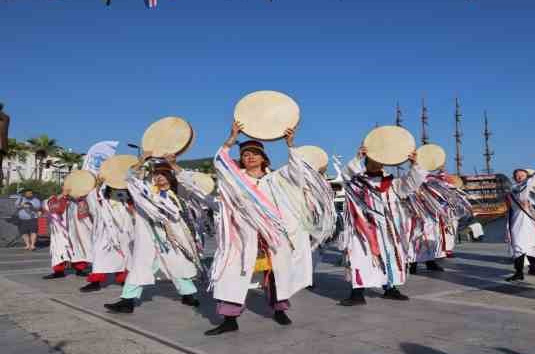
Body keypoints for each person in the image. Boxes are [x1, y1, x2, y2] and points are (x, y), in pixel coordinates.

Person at [204, 122, 335, 336]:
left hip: (272, 236)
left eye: (255, 153)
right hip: (243, 235)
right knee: (233, 273)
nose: (250, 157)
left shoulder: (276, 179)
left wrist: (290, 144)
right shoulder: (236, 179)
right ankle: (229, 319)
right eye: (245, 154)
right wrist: (231, 139)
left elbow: (298, 171)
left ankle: (279, 311)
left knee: (277, 274)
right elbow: (220, 163)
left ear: (264, 158)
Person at [104, 153, 201, 314]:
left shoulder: (178, 193)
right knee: (139, 267)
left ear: (170, 177)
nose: (160, 177)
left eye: (164, 174)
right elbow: (130, 178)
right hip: (148, 237)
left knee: (177, 265)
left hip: (172, 238)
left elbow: (191, 183)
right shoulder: (147, 193)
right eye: (157, 174)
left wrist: (174, 165)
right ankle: (127, 301)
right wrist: (141, 161)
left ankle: (188, 295)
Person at [337, 145, 426, 306]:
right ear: (367, 160)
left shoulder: (392, 183)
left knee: (390, 258)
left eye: (381, 160)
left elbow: (411, 184)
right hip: (363, 231)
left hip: (387, 231)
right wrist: (357, 158)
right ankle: (357, 293)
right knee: (361, 259)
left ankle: (390, 289)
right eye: (374, 159)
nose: (378, 163)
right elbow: (345, 175)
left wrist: (414, 165)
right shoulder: (357, 181)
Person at [408, 170, 472, 275]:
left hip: (432, 216)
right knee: (417, 238)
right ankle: (412, 263)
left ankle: (430, 261)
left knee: (432, 238)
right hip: (419, 214)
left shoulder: (435, 183)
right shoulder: (421, 182)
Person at [79, 182, 134, 292]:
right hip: (103, 230)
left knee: (124, 255)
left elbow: (130, 205)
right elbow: (92, 207)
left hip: (121, 228)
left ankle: (124, 279)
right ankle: (95, 281)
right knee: (99, 253)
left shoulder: (124, 190)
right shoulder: (95, 192)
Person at [504, 168, 535, 282]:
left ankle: (533, 268)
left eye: (522, 175)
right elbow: (527, 185)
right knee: (519, 246)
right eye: (517, 176)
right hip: (518, 222)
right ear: (514, 178)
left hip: (531, 222)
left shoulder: (529, 190)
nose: (519, 177)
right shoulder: (515, 189)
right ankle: (519, 272)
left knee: (533, 245)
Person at [42, 188, 93, 279]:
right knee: (58, 250)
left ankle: (80, 269)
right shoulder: (55, 199)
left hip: (76, 231)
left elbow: (87, 214)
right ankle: (59, 271)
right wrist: (62, 196)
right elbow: (52, 209)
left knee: (79, 248)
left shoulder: (79, 201)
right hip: (60, 232)